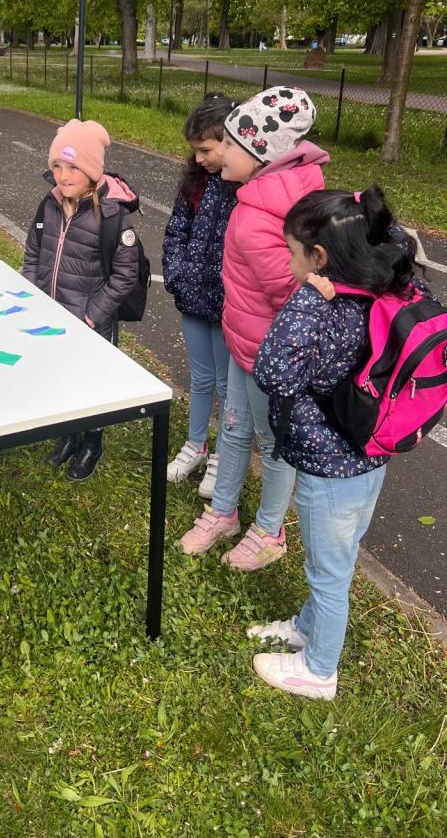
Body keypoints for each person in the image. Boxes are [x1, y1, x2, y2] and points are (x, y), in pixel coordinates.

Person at [249, 185, 424, 699]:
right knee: (338, 558)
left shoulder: (329, 310)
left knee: (329, 572)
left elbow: (275, 373)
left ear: (320, 259)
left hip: (332, 469)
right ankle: (308, 626)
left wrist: (307, 298)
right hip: (366, 457)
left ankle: (319, 669)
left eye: (293, 253)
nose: (289, 263)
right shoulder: (379, 293)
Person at [180, 86, 329, 569]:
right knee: (233, 428)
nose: (220, 152)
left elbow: (291, 297)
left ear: (259, 152)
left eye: (229, 143)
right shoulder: (257, 199)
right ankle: (223, 512)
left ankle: (269, 532)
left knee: (272, 444)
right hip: (244, 344)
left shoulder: (263, 216)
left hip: (270, 357)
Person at [22, 119, 139, 481]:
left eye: (73, 167)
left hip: (90, 321)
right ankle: (70, 434)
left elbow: (125, 275)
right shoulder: (49, 206)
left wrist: (92, 315)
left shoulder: (113, 216)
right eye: (57, 166)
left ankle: (92, 441)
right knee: (61, 376)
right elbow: (32, 254)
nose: (63, 175)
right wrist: (33, 298)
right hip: (53, 315)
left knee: (92, 382)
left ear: (91, 170)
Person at [162, 93, 240, 496]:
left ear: (230, 142)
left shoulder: (244, 187)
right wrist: (177, 274)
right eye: (194, 150)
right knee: (202, 377)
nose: (198, 158)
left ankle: (223, 456)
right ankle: (196, 444)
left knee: (227, 386)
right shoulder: (195, 183)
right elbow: (177, 229)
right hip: (193, 296)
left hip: (229, 306)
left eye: (205, 150)